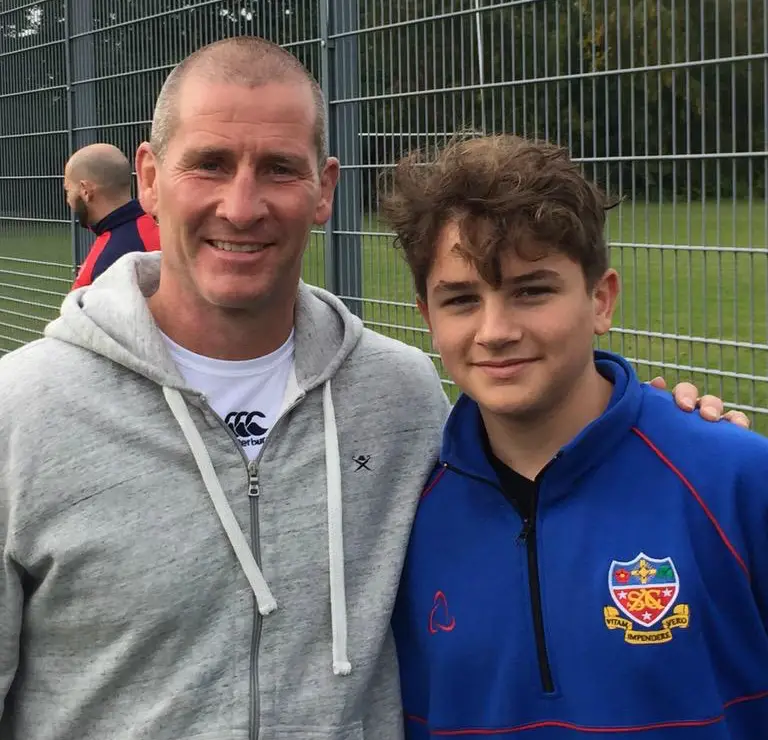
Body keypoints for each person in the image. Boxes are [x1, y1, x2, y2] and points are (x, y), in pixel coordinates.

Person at [0, 38, 741, 740]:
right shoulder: (23, 412)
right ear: (152, 177)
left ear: (324, 190)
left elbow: (552, 465)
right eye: (212, 163)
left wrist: (677, 433)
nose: (243, 204)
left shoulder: (402, 393)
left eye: (280, 169)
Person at [383, 134, 768, 737]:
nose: (496, 330)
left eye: (530, 291)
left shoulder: (734, 480)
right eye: (461, 300)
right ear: (428, 318)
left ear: (600, 299)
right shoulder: (405, 509)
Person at [64, 143, 160, 289]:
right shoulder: (161, 228)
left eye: (69, 190)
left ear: (85, 190)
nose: (68, 200)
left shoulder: (103, 264)